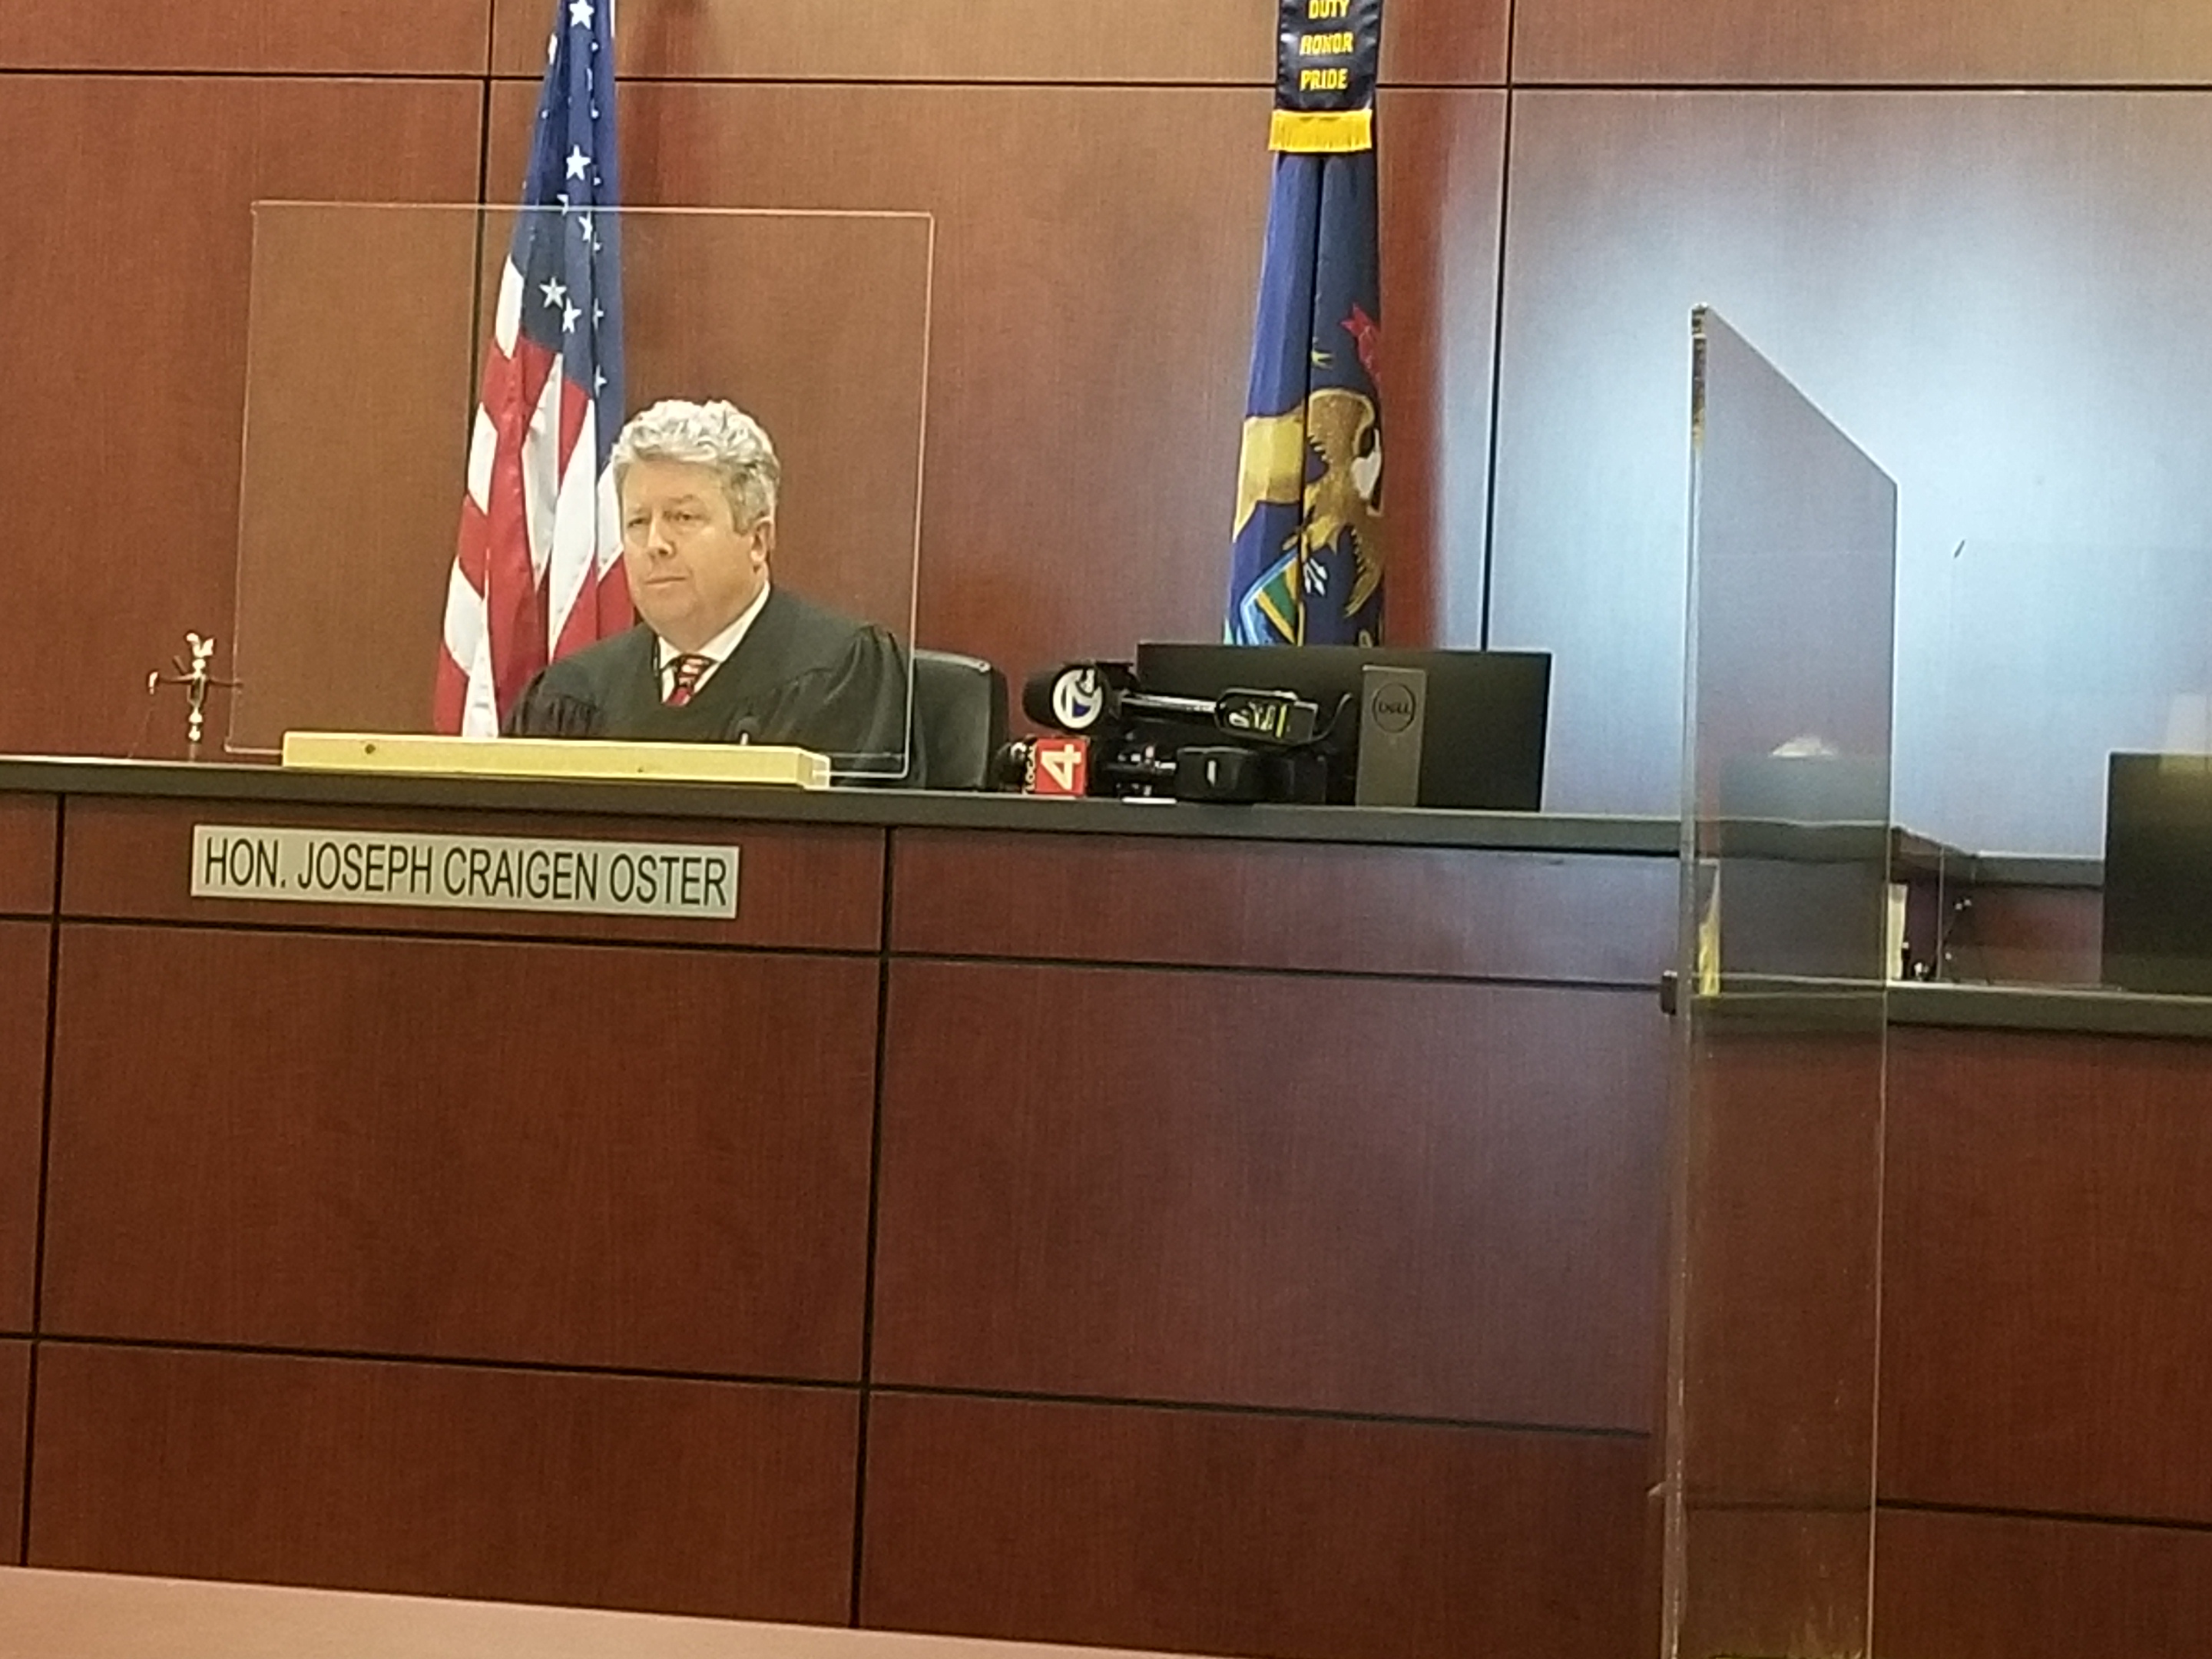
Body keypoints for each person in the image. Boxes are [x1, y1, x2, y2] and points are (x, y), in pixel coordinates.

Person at [502, 399, 909, 770]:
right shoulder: (571, 696)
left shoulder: (841, 673)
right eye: (638, 521)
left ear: (757, 540)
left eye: (683, 517)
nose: (655, 544)